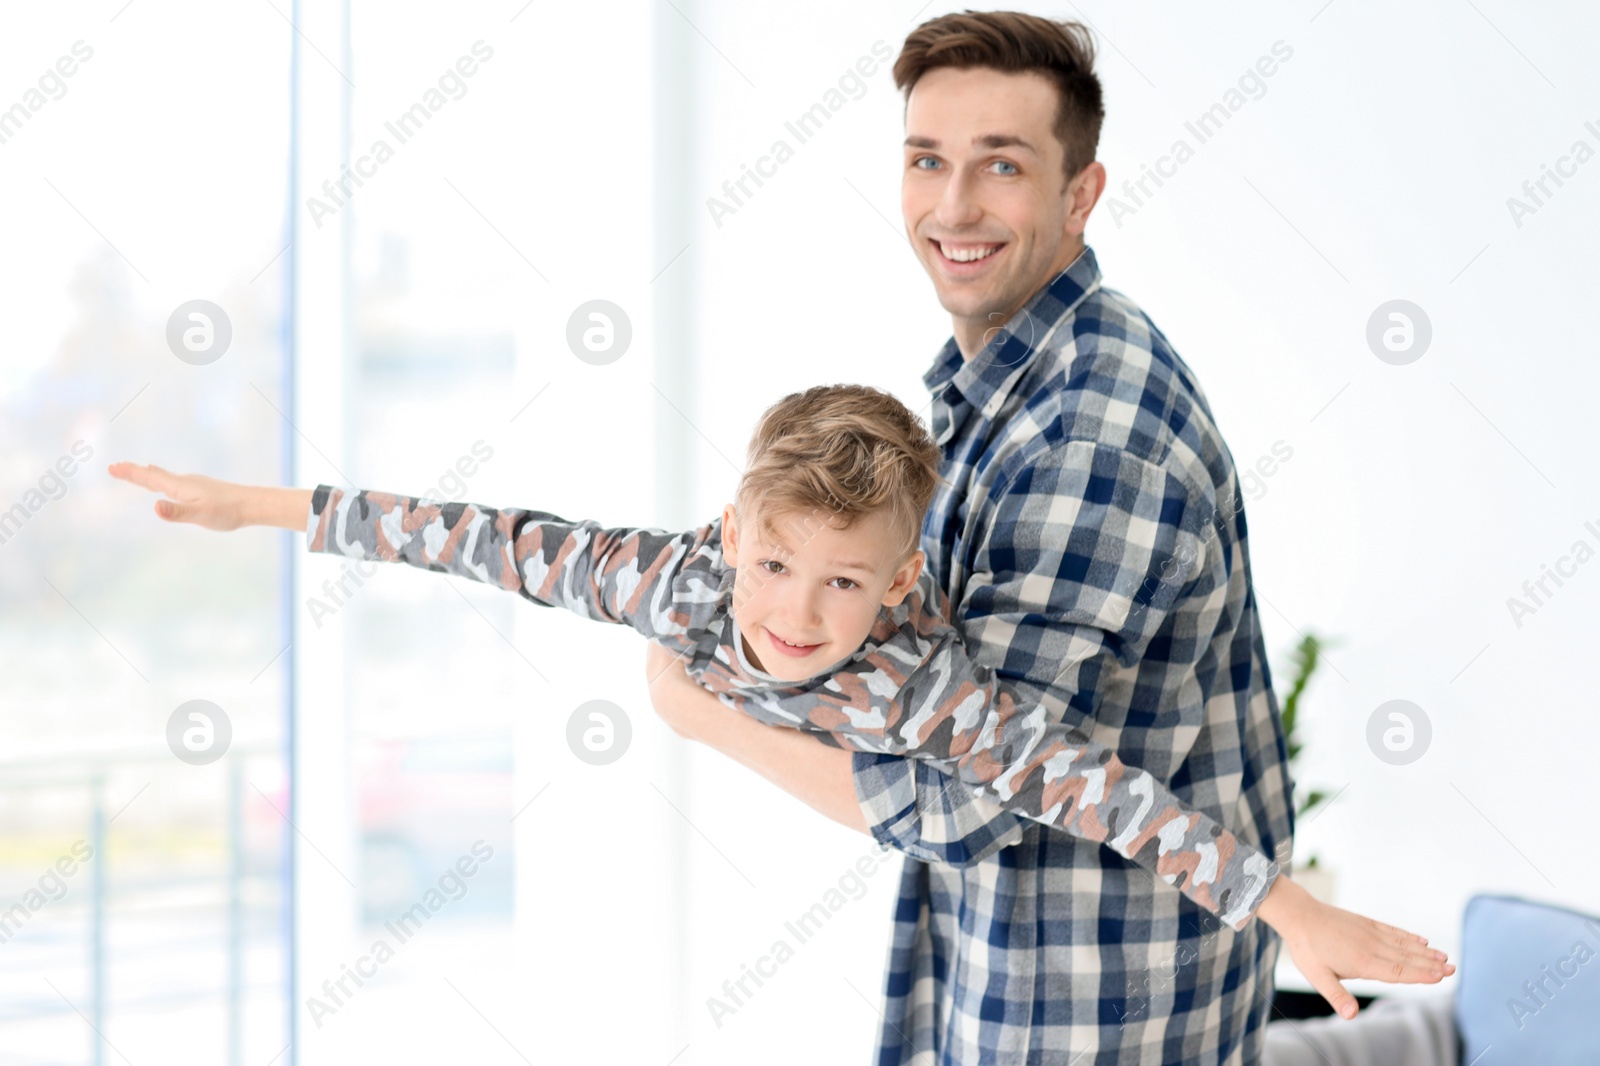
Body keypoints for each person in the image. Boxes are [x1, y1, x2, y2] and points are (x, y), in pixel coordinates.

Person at [111, 380, 1447, 1045]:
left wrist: (1287, 903)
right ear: (735, 531)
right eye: (775, 564)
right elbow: (469, 534)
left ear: (902, 578)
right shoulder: (680, 583)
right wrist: (256, 507)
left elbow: (1105, 792)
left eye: (844, 582)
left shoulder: (925, 683)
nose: (795, 614)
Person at [634, 11, 1452, 1064]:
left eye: (1002, 166)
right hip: (1022, 958)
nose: (953, 205)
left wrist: (695, 710)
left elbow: (957, 798)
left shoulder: (1090, 439)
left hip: (1093, 1007)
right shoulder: (1006, 380)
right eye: (927, 159)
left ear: (1080, 194)